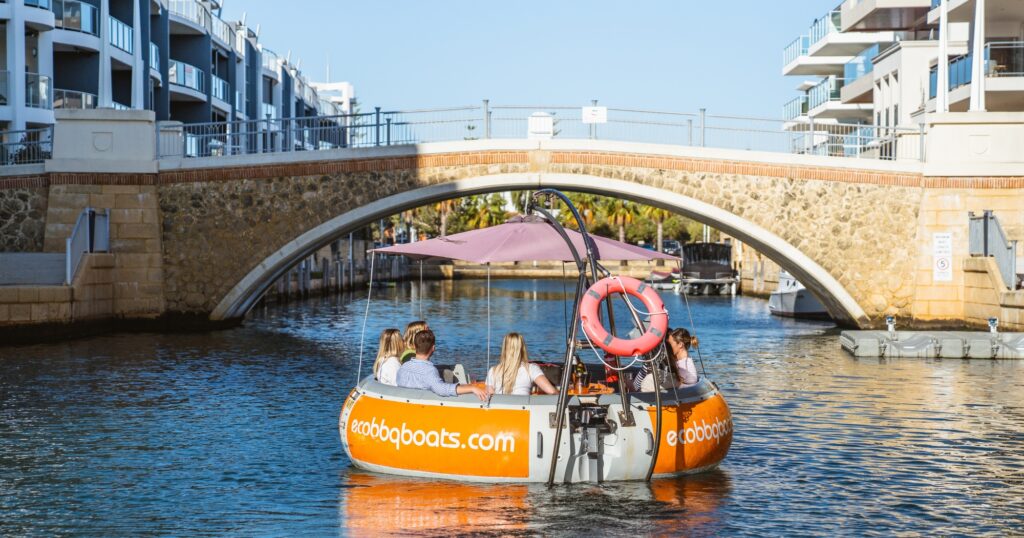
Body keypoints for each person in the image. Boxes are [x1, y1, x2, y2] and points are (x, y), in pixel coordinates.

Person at [396, 329, 490, 401]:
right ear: (433, 348)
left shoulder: (403, 367)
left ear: (415, 347)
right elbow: (442, 389)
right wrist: (472, 388)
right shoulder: (429, 371)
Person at [485, 333, 558, 396]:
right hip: (524, 410)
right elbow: (552, 391)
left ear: (504, 348)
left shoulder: (493, 371)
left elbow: (491, 397)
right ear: (522, 348)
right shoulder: (531, 368)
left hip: (502, 410)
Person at [632, 327, 699, 392]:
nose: (668, 347)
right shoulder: (681, 362)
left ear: (680, 345)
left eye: (670, 344)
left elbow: (681, 386)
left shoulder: (684, 366)